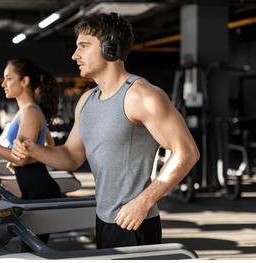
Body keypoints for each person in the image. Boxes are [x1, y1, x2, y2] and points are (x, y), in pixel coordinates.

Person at [11, 12, 200, 249]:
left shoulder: (142, 95)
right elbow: (71, 156)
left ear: (111, 48)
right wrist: (34, 150)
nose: (74, 55)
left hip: (134, 222)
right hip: (103, 219)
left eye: (84, 46)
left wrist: (144, 202)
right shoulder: (87, 101)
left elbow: (187, 152)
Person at [0, 57, 62, 201]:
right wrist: (24, 160)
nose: (3, 84)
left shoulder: (30, 112)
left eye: (8, 78)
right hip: (32, 189)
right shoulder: (26, 111)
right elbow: (49, 145)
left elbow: (20, 159)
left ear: (24, 81)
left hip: (40, 190)